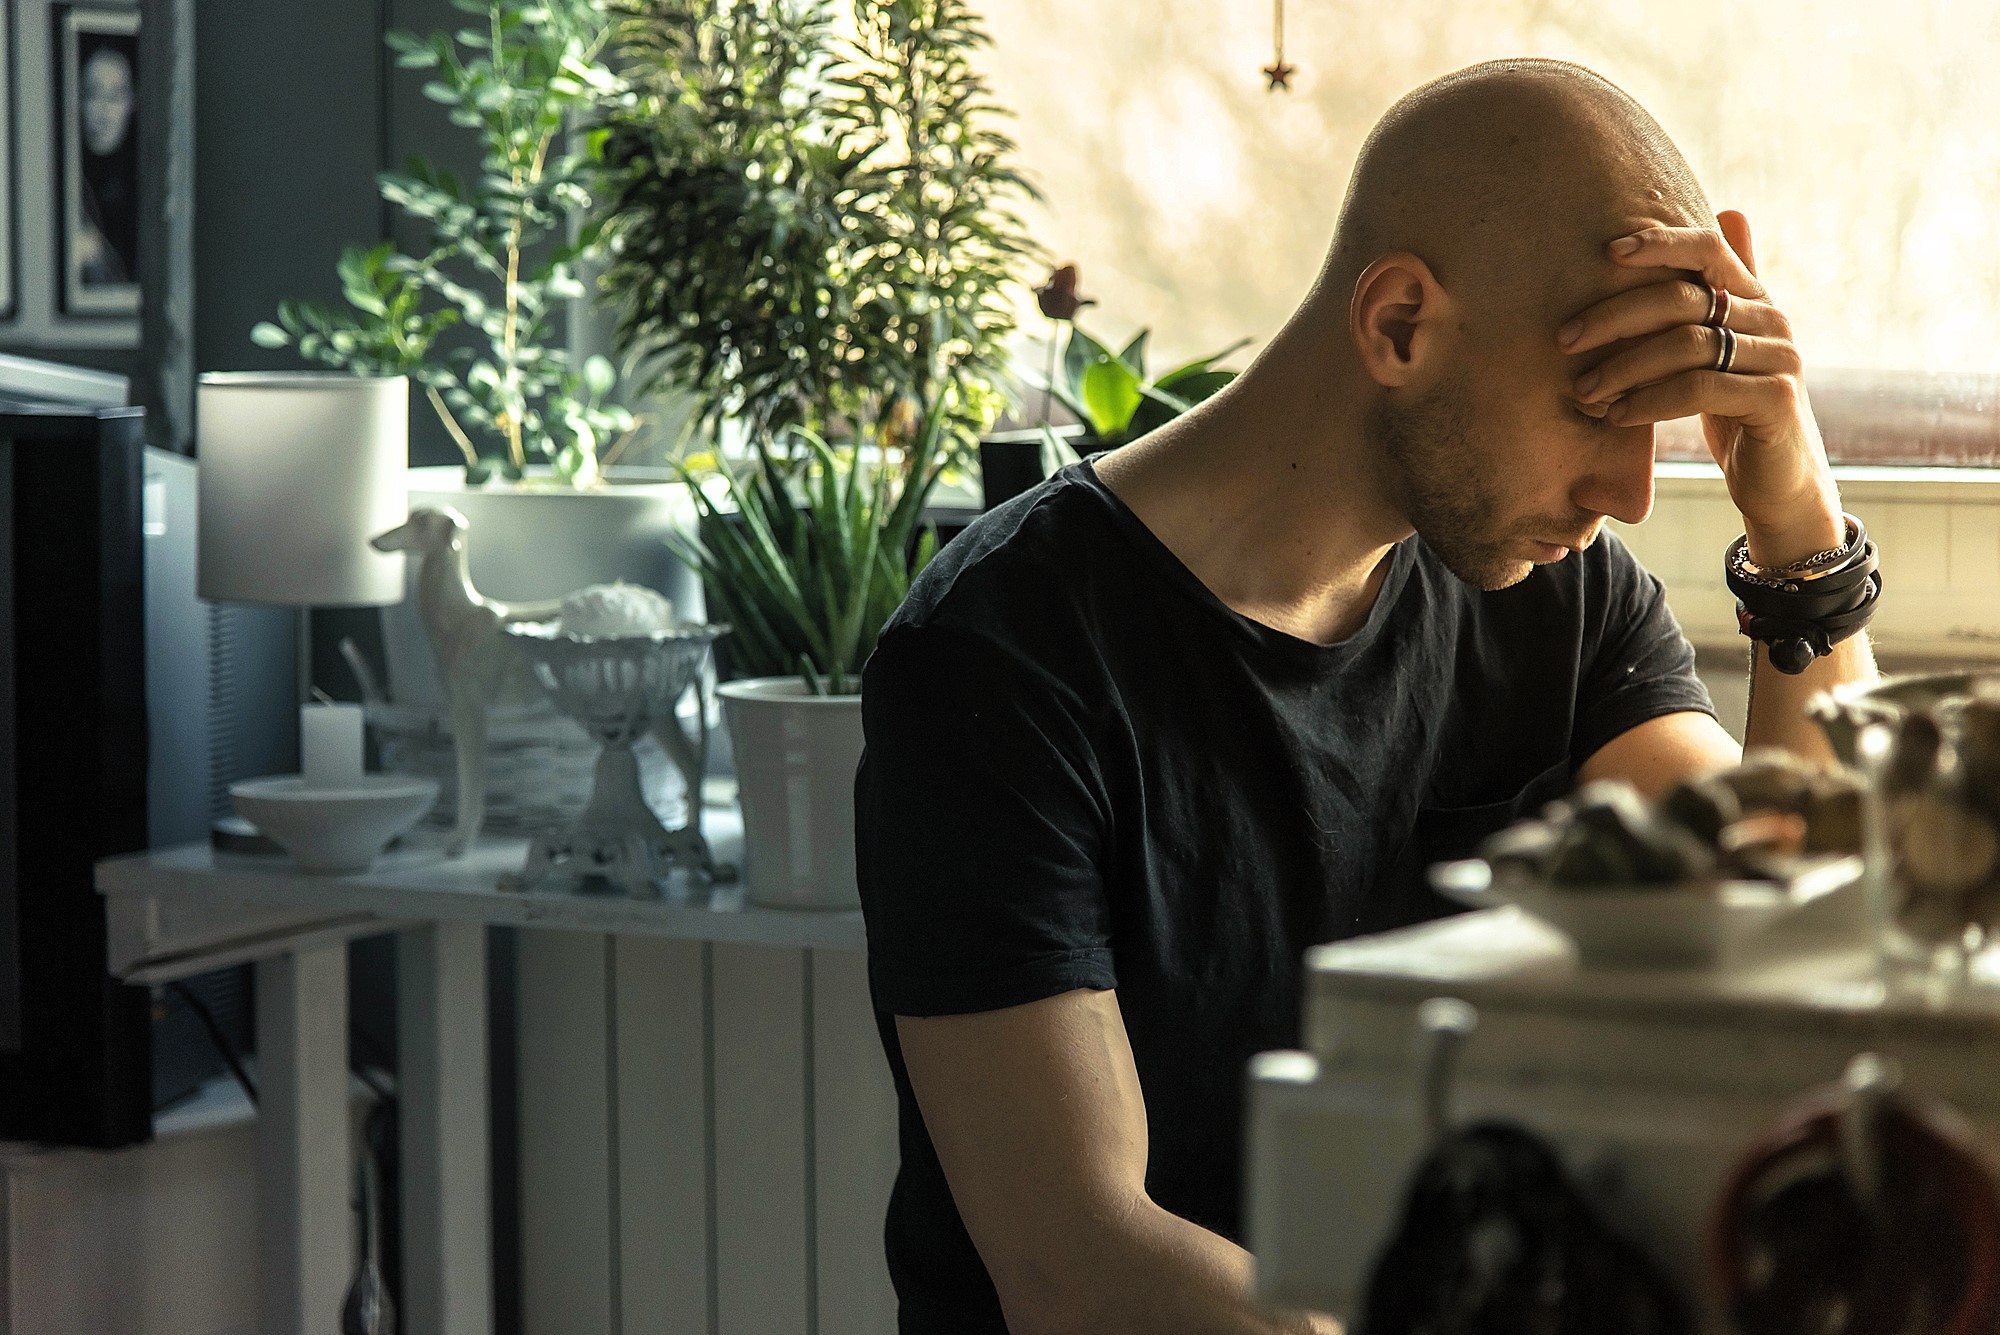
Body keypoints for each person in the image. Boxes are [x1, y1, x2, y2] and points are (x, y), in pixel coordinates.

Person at [854, 58, 1878, 1335]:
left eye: (1661, 425)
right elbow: (1082, 1265)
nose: (1627, 494)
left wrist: (1795, 523)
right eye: (1596, 407)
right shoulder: (996, 656)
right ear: (1398, 324)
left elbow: (1795, 938)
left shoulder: (1556, 593)